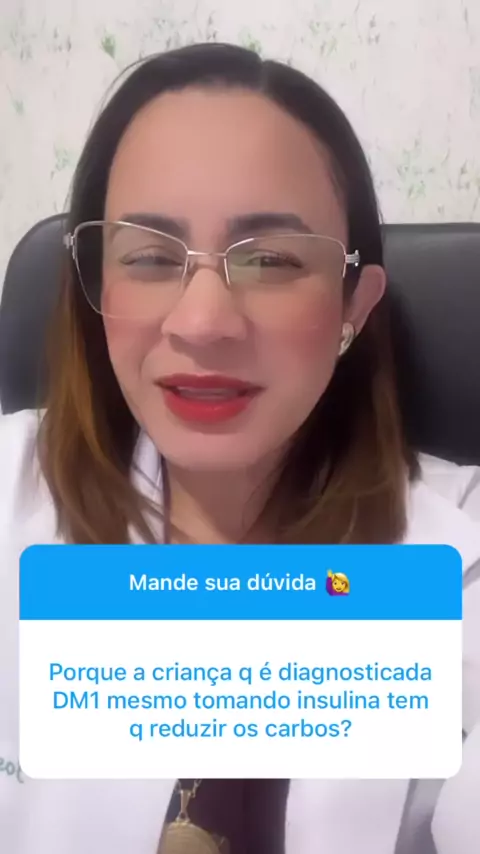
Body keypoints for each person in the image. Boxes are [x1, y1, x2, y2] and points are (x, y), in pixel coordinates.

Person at [1, 42, 480, 854]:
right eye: (150, 257)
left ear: (353, 307)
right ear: (95, 288)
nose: (202, 323)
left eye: (271, 261)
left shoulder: (458, 560)